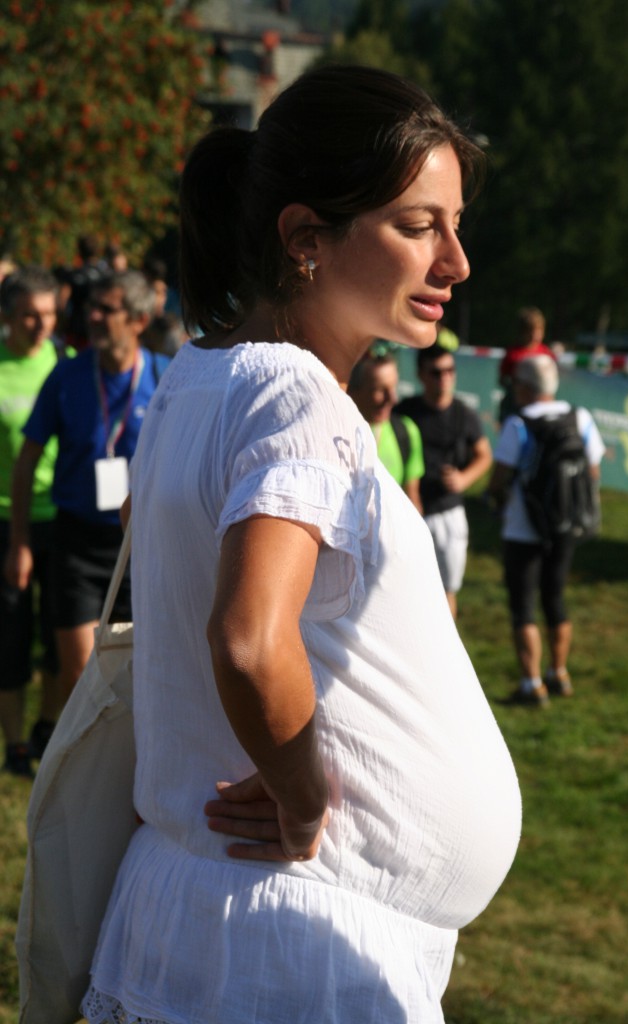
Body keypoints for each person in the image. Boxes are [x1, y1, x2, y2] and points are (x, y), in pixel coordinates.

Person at [80, 65, 521, 1024]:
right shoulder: (296, 395)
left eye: (455, 225)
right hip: (288, 942)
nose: (456, 262)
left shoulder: (199, 377)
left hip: (229, 918)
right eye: (419, 226)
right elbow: (249, 637)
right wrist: (303, 795)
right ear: (305, 238)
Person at [7, 270, 167, 702]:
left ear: (138, 320)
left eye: (106, 309)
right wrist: (20, 541)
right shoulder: (67, 376)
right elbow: (27, 461)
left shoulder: (164, 377)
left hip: (141, 544)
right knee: (80, 675)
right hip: (77, 543)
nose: (92, 316)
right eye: (91, 306)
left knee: (138, 672)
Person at [487, 354, 605, 705]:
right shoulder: (580, 417)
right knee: (555, 596)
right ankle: (560, 672)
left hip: (523, 527)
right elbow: (593, 470)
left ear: (524, 386)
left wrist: (496, 500)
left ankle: (531, 684)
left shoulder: (517, 423)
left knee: (523, 604)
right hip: (565, 524)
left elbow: (499, 478)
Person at [0, 268, 68, 777]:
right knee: (11, 637)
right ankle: (16, 745)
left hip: (62, 519)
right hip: (7, 522)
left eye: (48, 313)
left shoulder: (66, 364)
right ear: (7, 316)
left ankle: (47, 727)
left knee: (59, 637)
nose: (41, 324)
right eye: (29, 315)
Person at [397, 343, 492, 619]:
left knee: (446, 591)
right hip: (408, 512)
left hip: (448, 512)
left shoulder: (464, 413)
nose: (445, 378)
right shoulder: (404, 412)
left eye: (450, 370)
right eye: (436, 372)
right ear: (421, 375)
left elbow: (484, 455)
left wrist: (464, 478)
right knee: (405, 591)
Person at [348, 350, 425, 509]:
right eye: (379, 390)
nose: (392, 399)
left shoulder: (406, 431)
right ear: (352, 391)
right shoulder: (334, 434)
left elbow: (412, 500)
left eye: (394, 387)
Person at [497, 306, 555, 423]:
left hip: (541, 410)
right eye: (531, 331)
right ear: (522, 332)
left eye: (539, 330)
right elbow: (503, 380)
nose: (535, 335)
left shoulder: (546, 353)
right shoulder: (513, 354)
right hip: (514, 408)